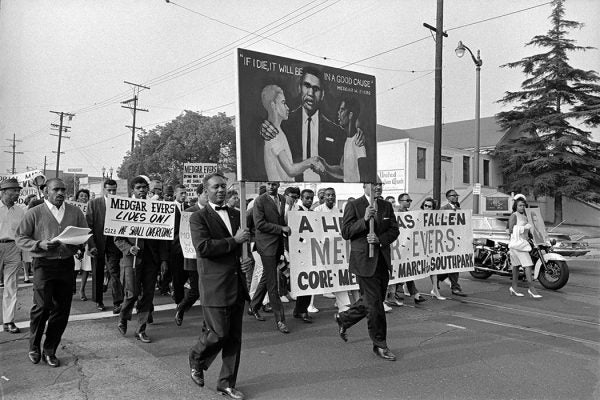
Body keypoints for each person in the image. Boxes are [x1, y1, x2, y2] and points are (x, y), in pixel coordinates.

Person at [188, 173, 250, 400]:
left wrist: (247, 258)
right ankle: (197, 356)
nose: (221, 190)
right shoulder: (198, 217)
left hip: (236, 284)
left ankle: (226, 383)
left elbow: (243, 245)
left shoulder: (237, 215)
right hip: (215, 285)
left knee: (234, 338)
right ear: (206, 191)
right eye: (216, 187)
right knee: (218, 333)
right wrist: (235, 240)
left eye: (224, 186)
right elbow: (203, 247)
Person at [16, 178, 89, 367]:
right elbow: (20, 237)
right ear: (46, 191)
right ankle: (34, 346)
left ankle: (50, 349)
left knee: (62, 310)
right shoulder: (34, 212)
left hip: (65, 265)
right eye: (56, 189)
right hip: (43, 264)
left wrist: (79, 243)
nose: (60, 193)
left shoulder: (74, 212)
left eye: (63, 190)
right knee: (42, 307)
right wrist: (38, 244)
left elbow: (84, 233)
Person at [335, 181, 400, 361]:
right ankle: (380, 345)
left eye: (380, 184)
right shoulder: (354, 205)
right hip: (364, 262)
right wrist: (364, 220)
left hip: (382, 262)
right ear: (364, 186)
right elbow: (346, 232)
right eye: (373, 184)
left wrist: (379, 239)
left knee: (373, 301)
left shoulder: (386, 206)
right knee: (375, 306)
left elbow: (394, 230)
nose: (377, 188)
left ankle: (345, 318)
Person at [260, 67, 353, 182]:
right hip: (292, 187)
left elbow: (344, 170)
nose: (311, 93)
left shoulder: (336, 132)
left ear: (322, 94)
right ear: (300, 88)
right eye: (307, 86)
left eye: (316, 89)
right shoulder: (284, 125)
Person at [115, 176, 169, 343]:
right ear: (133, 190)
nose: (142, 190)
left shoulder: (155, 208)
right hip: (131, 260)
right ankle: (123, 317)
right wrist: (129, 248)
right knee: (132, 294)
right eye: (138, 187)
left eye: (145, 187)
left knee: (147, 295)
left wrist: (163, 260)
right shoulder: (124, 209)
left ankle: (141, 329)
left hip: (151, 260)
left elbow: (163, 236)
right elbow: (117, 238)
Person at [248, 181, 291, 334]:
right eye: (268, 184)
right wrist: (281, 229)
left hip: (277, 245)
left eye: (274, 184)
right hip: (265, 246)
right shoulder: (259, 201)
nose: (271, 186)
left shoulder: (282, 199)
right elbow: (259, 224)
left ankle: (253, 306)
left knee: (267, 276)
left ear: (278, 184)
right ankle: (280, 320)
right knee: (273, 284)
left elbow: (280, 219)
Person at [260, 84, 321, 181]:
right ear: (273, 105)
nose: (287, 108)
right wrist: (311, 161)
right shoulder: (273, 135)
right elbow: (291, 170)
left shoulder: (278, 131)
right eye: (283, 103)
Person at [314, 187, 354, 312]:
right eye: (328, 195)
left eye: (333, 195)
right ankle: (309, 305)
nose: (331, 197)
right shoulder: (317, 210)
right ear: (324, 197)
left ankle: (343, 305)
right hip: (321, 249)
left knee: (337, 275)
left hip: (336, 249)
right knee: (317, 276)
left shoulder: (338, 211)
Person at [87, 179, 123, 314]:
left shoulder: (120, 203)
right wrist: (91, 245)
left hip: (114, 244)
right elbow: (89, 226)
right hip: (98, 243)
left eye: (114, 190)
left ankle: (117, 302)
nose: (112, 192)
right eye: (109, 190)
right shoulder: (94, 204)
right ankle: (98, 300)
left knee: (114, 273)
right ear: (104, 190)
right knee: (97, 272)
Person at [175, 184, 208, 326]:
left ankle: (208, 323)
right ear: (199, 195)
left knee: (208, 291)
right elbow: (182, 236)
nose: (208, 197)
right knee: (195, 291)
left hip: (209, 258)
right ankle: (181, 308)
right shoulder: (189, 212)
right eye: (206, 194)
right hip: (193, 258)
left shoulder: (213, 211)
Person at [385, 193, 427, 307]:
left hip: (406, 246)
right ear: (400, 201)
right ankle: (407, 294)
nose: (409, 202)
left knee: (407, 269)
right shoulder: (396, 213)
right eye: (407, 200)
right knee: (400, 270)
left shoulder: (409, 214)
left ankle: (407, 293)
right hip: (396, 247)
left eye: (410, 200)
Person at [317, 97, 368, 182]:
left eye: (342, 110)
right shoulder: (347, 140)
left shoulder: (359, 141)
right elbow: (343, 171)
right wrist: (326, 166)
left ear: (350, 115)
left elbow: (365, 176)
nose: (338, 113)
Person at [1, 178, 24, 334]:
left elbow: (24, 232)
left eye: (18, 191)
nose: (17, 193)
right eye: (14, 191)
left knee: (11, 285)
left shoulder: (21, 211)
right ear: (3, 192)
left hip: (13, 248)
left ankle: (9, 321)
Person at [508, 197, 542, 298]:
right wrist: (523, 228)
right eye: (520, 205)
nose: (522, 207)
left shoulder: (525, 216)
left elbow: (529, 230)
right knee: (528, 265)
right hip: (518, 245)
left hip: (521, 244)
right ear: (516, 206)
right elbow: (510, 230)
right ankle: (531, 289)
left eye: (523, 205)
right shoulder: (514, 215)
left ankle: (514, 288)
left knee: (516, 266)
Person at [439, 189, 467, 297]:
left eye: (456, 195)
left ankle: (455, 287)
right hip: (446, 241)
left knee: (455, 264)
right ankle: (440, 278)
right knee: (446, 264)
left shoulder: (459, 209)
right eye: (453, 195)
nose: (456, 197)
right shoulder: (443, 209)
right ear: (448, 197)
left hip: (456, 241)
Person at [292, 188, 315, 321]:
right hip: (299, 251)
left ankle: (300, 309)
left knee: (309, 281)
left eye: (311, 198)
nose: (309, 200)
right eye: (307, 198)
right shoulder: (296, 212)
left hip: (310, 251)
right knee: (304, 281)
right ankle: (302, 310)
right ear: (301, 198)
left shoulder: (313, 213)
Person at [420, 197, 446, 300]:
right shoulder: (418, 216)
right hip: (420, 247)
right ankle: (406, 287)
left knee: (433, 268)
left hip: (431, 246)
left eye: (429, 206)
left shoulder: (436, 217)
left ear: (433, 208)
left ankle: (435, 290)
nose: (427, 208)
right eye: (425, 205)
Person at [73, 189, 93, 303]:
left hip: (87, 241)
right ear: (77, 198)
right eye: (81, 196)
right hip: (75, 241)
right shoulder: (73, 210)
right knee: (75, 267)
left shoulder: (90, 210)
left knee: (86, 267)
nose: (84, 198)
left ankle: (82, 290)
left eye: (86, 196)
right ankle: (72, 286)